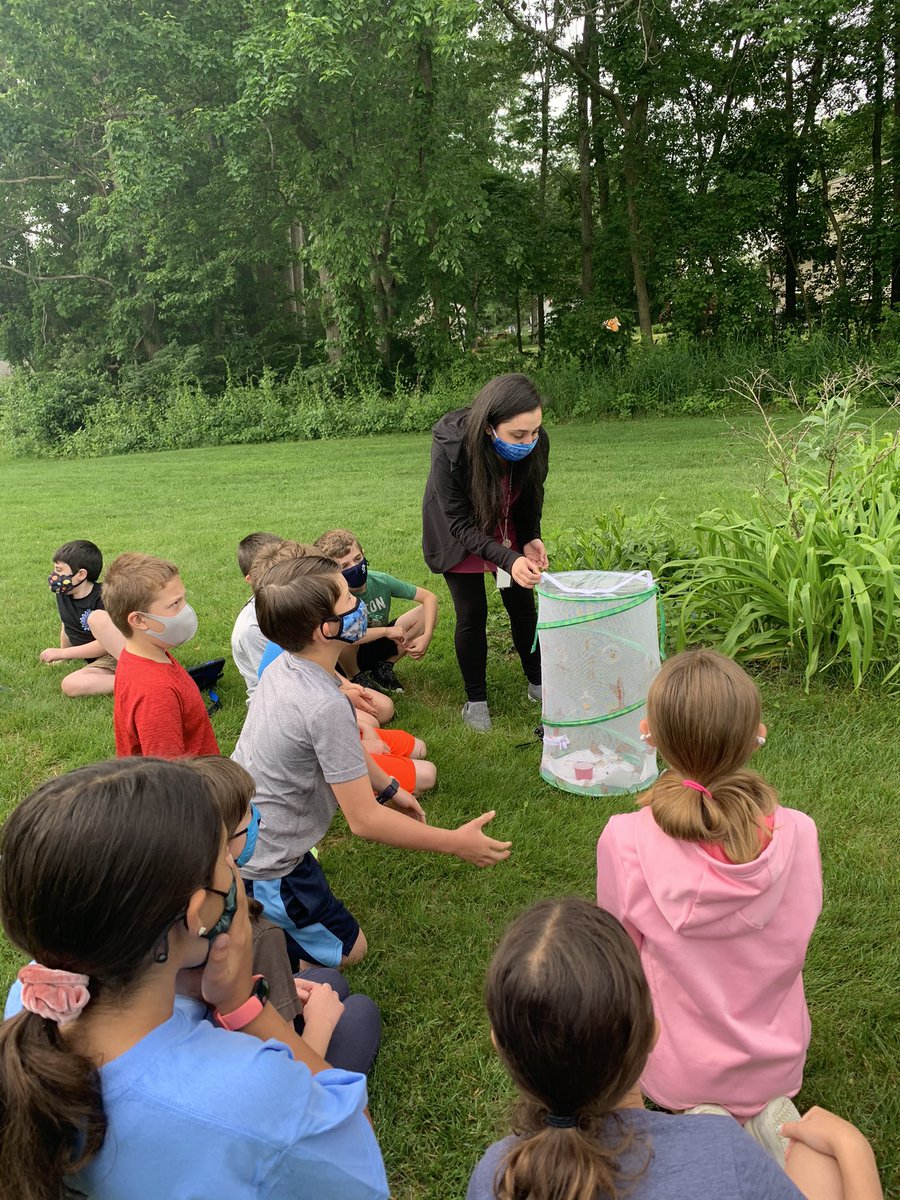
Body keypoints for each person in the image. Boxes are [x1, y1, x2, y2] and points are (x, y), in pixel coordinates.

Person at [0, 758, 389, 1200]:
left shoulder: (32, 1002)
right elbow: (358, 1163)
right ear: (199, 911)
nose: (233, 863)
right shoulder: (251, 1091)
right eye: (224, 853)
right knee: (357, 1015)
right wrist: (246, 1008)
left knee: (329, 986)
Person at [467, 897, 882, 1200]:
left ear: (500, 1047)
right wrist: (853, 1146)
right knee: (816, 1152)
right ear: (651, 1033)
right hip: (722, 1160)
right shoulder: (719, 1150)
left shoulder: (495, 1176)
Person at [232, 553, 511, 971]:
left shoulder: (285, 662)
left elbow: (346, 752)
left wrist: (390, 787)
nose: (357, 602)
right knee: (351, 951)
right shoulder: (322, 704)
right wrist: (455, 842)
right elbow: (364, 821)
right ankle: (250, 939)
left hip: (249, 832)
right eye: (346, 598)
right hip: (269, 861)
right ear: (324, 630)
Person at [596, 649, 822, 1128]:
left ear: (649, 736)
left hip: (677, 1073)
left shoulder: (624, 841)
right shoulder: (800, 832)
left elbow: (619, 963)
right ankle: (768, 1117)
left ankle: (706, 1119)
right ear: (756, 734)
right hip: (777, 1067)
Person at [187, 755, 382, 1075]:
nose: (258, 819)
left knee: (328, 980)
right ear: (223, 848)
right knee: (360, 1012)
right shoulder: (261, 936)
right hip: (265, 1076)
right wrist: (321, 1023)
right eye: (248, 814)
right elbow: (286, 1072)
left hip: (217, 1029)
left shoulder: (180, 917)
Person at [422, 373, 549, 732]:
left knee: (522, 606)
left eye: (535, 432)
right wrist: (509, 559)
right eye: (518, 435)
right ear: (489, 427)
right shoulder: (451, 447)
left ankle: (537, 682)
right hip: (458, 529)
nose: (529, 442)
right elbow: (460, 526)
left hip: (504, 523)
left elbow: (532, 495)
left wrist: (529, 537)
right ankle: (476, 700)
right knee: (471, 613)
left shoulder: (536, 441)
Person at [103, 552, 219, 758]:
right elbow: (167, 775)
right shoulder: (156, 691)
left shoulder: (146, 654)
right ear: (139, 620)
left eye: (184, 598)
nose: (186, 610)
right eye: (175, 604)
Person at [313, 528, 439, 694]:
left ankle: (384, 667)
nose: (356, 567)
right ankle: (355, 676)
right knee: (343, 630)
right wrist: (386, 631)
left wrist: (426, 636)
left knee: (425, 613)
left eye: (358, 559)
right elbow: (343, 634)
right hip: (345, 655)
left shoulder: (380, 580)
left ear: (363, 553)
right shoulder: (333, 596)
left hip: (378, 643)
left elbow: (429, 598)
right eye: (345, 566)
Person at [39, 539, 124, 697]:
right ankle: (129, 679)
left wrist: (63, 653)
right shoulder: (65, 594)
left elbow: (106, 645)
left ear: (81, 575)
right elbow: (68, 624)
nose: (54, 576)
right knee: (74, 683)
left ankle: (137, 680)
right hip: (99, 661)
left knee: (71, 684)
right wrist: (63, 653)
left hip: (116, 654)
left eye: (59, 570)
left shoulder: (103, 598)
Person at [231, 530, 282, 702]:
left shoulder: (286, 601)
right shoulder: (252, 628)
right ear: (250, 579)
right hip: (273, 701)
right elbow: (276, 682)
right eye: (271, 570)